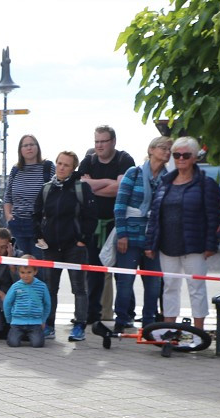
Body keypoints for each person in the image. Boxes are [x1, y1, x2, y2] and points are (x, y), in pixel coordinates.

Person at [143, 136, 220, 336]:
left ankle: (199, 332)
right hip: (167, 245)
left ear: (195, 157)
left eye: (186, 155)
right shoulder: (165, 182)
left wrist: (211, 244)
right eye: (177, 155)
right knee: (170, 286)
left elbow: (213, 217)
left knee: (196, 288)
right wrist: (151, 243)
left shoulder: (206, 184)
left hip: (194, 245)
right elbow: (155, 215)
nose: (181, 158)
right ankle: (169, 328)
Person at [32, 151, 97, 342]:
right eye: (59, 163)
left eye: (66, 165)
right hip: (51, 248)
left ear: (73, 168)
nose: (61, 167)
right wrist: (39, 236)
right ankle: (49, 325)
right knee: (50, 288)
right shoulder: (46, 188)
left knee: (79, 288)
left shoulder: (81, 188)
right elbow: (36, 215)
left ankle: (79, 326)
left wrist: (82, 239)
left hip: (74, 247)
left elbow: (91, 216)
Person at [112, 136, 171, 332]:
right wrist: (122, 234)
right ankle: (121, 320)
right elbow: (120, 205)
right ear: (151, 150)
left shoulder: (168, 178)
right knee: (125, 282)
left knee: (154, 284)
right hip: (129, 238)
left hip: (153, 239)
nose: (166, 152)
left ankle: (149, 322)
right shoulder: (134, 173)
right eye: (163, 148)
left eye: (169, 149)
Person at [79, 125, 135, 325]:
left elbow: (121, 189)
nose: (99, 145)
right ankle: (92, 316)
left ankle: (126, 315)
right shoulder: (88, 160)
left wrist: (93, 185)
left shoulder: (124, 159)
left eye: (103, 141)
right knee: (93, 273)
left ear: (113, 142)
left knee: (122, 273)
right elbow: (82, 188)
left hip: (118, 225)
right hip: (93, 226)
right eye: (97, 142)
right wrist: (107, 182)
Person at [3, 135, 54, 257]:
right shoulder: (15, 169)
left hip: (39, 226)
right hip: (17, 224)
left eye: (32, 144)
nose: (29, 148)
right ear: (20, 150)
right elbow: (8, 195)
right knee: (19, 266)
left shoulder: (48, 167)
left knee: (38, 266)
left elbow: (55, 193)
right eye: (25, 145)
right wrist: (8, 215)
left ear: (37, 147)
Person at [4, 260, 51, 348]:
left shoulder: (42, 286)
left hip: (35, 323)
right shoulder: (15, 286)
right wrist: (9, 319)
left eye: (29, 272)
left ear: (35, 271)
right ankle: (21, 335)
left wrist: (43, 320)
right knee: (13, 343)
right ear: (19, 272)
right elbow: (7, 303)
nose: (25, 275)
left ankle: (30, 335)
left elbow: (47, 304)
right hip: (17, 322)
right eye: (22, 272)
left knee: (38, 344)